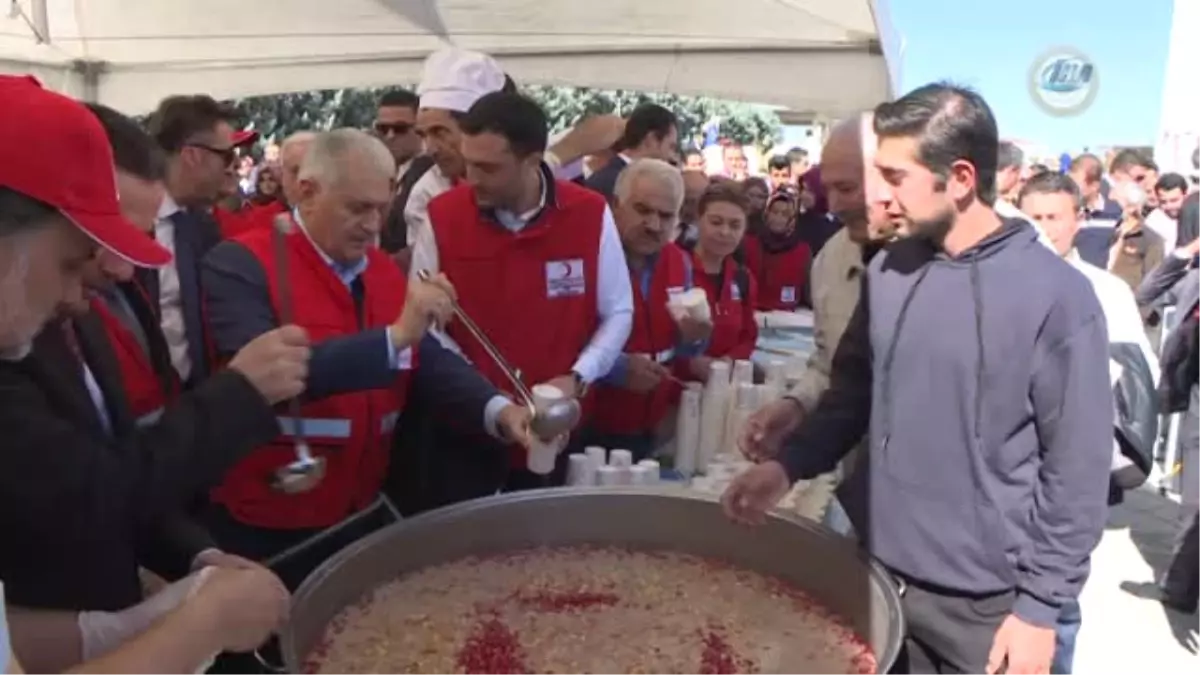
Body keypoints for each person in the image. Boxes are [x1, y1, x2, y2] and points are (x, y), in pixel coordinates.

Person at [721, 82, 1112, 675]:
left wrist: (1039, 608)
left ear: (958, 178)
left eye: (896, 177)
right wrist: (787, 466)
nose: (883, 196)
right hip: (878, 578)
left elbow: (1076, 471)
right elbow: (850, 397)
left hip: (988, 609)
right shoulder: (887, 272)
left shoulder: (1057, 296)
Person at [0, 75, 296, 675]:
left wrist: (193, 563)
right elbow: (90, 490)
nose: (79, 291)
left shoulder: (71, 317)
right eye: (70, 258)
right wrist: (196, 625)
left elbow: (121, 453)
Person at [202, 129, 535, 582]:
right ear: (307, 192)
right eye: (358, 208)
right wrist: (394, 338)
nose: (374, 225)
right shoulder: (241, 264)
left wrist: (498, 410)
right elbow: (268, 376)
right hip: (267, 520)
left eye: (382, 208)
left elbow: (428, 360)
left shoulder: (383, 271)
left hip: (362, 510)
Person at [410, 91, 634, 492]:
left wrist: (578, 377)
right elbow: (425, 329)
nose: (472, 178)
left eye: (488, 168)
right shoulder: (443, 215)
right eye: (469, 162)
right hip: (465, 432)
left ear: (532, 161)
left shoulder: (588, 213)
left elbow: (618, 310)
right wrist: (490, 403)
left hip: (559, 431)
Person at [1019, 171, 1160, 674]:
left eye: (1053, 217)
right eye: (1031, 217)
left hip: (1075, 471)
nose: (1042, 229)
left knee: (1056, 601)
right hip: (1012, 471)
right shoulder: (1000, 287)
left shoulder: (1105, 291)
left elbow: (1138, 382)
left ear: (1078, 220)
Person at [738, 113, 896, 534]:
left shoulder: (954, 270)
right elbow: (830, 366)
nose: (835, 205)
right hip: (858, 491)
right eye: (827, 190)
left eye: (847, 188)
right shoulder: (830, 258)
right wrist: (796, 406)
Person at [587, 159, 711, 460]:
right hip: (589, 428)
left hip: (650, 426)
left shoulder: (679, 262)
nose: (654, 225)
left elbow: (684, 349)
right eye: (642, 210)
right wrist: (615, 368)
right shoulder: (587, 256)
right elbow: (557, 340)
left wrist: (695, 338)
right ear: (617, 205)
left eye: (665, 216)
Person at [1134, 234, 1200, 615]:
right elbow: (1148, 290)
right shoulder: (1194, 279)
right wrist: (1186, 252)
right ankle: (1180, 586)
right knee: (1194, 503)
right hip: (1198, 405)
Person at [676, 183, 759, 383]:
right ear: (698, 220)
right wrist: (690, 363)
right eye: (716, 222)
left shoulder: (743, 278)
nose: (725, 232)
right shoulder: (674, 268)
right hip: (673, 391)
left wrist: (727, 363)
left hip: (722, 387)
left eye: (735, 225)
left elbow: (748, 336)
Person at [585, 103, 679, 201]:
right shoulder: (611, 183)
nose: (672, 156)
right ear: (651, 139)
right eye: (670, 147)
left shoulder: (609, 178)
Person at [744, 191, 811, 311]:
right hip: (752, 311)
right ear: (767, 214)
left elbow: (808, 290)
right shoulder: (748, 244)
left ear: (792, 219)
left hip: (786, 315)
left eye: (785, 214)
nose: (778, 218)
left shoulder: (803, 251)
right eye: (774, 212)